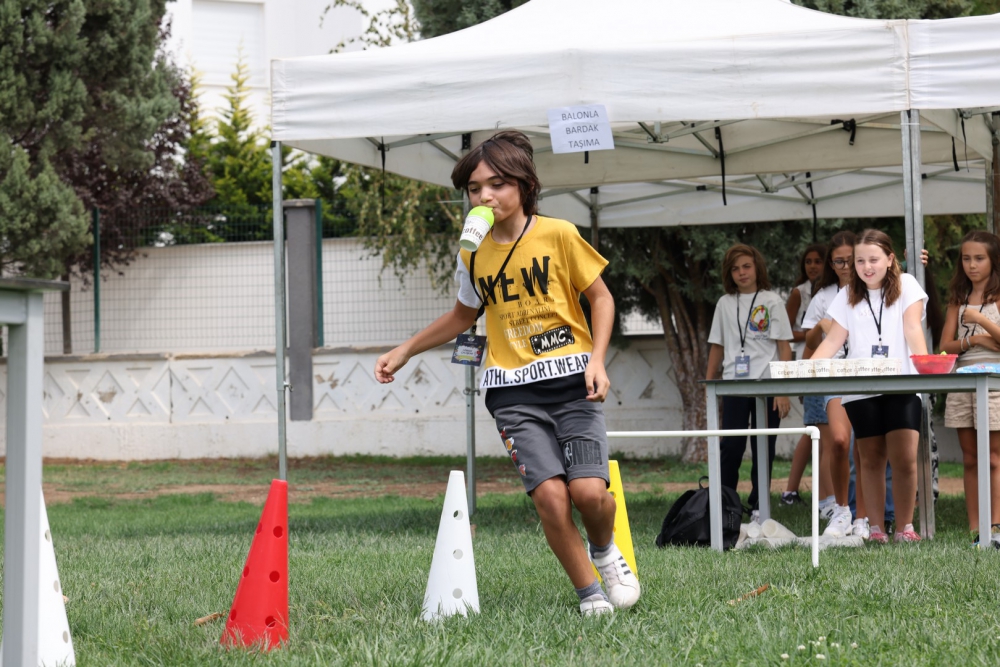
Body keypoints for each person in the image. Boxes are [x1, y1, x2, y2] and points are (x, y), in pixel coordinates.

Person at [374, 131, 638, 616]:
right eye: (475, 188)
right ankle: (591, 595)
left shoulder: (559, 234)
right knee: (551, 499)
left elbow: (601, 298)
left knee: (588, 494)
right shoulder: (471, 254)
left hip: (573, 385)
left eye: (497, 184)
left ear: (525, 185)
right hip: (511, 393)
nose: (485, 196)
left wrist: (597, 359)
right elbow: (462, 316)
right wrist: (406, 349)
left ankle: (604, 549)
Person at [811, 229, 929, 544]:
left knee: (904, 459)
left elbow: (912, 328)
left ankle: (905, 527)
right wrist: (807, 368)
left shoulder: (907, 285)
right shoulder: (847, 293)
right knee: (871, 460)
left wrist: (925, 369)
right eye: (860, 261)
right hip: (860, 389)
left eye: (874, 259)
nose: (867, 267)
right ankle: (876, 529)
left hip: (902, 384)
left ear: (890, 259)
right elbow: (833, 340)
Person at [706, 244, 793, 519]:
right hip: (734, 385)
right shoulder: (724, 303)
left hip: (767, 385)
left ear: (757, 268)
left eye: (746, 266)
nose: (741, 273)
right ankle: (726, 505)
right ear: (728, 273)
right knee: (731, 447)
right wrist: (709, 385)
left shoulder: (772, 301)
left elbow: (784, 347)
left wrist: (782, 389)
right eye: (735, 269)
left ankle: (759, 506)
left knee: (762, 447)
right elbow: (717, 346)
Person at [940, 230, 1000, 548]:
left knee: (993, 457)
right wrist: (976, 339)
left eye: (979, 258)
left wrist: (981, 320)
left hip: (994, 382)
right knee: (970, 458)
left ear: (993, 261)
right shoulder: (958, 300)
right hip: (962, 380)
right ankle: (974, 528)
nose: (972, 265)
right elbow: (944, 346)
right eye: (966, 258)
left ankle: (996, 525)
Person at [782, 244, 827, 506]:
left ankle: (802, 491)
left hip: (830, 362)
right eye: (808, 261)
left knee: (817, 428)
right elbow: (785, 331)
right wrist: (813, 333)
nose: (812, 266)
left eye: (817, 261)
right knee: (814, 427)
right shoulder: (799, 292)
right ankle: (793, 490)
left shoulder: (835, 290)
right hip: (807, 362)